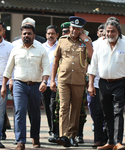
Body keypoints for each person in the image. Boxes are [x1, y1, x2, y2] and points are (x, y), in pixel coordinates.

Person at [1, 24, 50, 150]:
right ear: (21, 35)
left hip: (36, 85)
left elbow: (46, 68)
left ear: (34, 35)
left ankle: (35, 137)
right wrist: (3, 85)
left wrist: (44, 82)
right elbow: (8, 69)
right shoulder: (15, 50)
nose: (26, 36)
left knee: (35, 113)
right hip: (19, 85)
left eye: (29, 33)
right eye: (24, 33)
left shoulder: (41, 49)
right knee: (19, 112)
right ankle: (20, 141)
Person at [50, 16, 93, 147]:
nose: (74, 30)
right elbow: (56, 61)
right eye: (73, 28)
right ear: (69, 28)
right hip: (63, 79)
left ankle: (72, 135)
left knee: (75, 109)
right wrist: (52, 80)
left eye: (77, 29)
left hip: (79, 80)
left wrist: (86, 41)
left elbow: (92, 57)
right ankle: (64, 136)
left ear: (82, 30)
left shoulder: (86, 41)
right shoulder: (62, 41)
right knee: (63, 107)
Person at [88, 20, 125, 150]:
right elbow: (93, 66)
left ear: (118, 32)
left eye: (112, 31)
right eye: (107, 31)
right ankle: (110, 142)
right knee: (107, 113)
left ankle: (118, 142)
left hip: (120, 83)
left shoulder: (124, 44)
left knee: (118, 112)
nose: (109, 34)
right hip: (103, 83)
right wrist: (91, 84)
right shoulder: (99, 45)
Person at [87, 24, 108, 148]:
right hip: (97, 82)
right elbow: (92, 65)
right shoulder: (95, 44)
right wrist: (90, 84)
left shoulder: (117, 44)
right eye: (104, 33)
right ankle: (99, 139)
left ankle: (110, 139)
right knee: (98, 112)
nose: (106, 35)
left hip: (112, 82)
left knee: (109, 112)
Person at [42, 25, 59, 143]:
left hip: (57, 82)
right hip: (44, 83)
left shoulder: (60, 46)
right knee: (47, 107)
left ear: (57, 35)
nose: (50, 35)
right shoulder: (42, 47)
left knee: (54, 107)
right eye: (48, 33)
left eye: (52, 33)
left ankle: (56, 132)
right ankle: (51, 130)